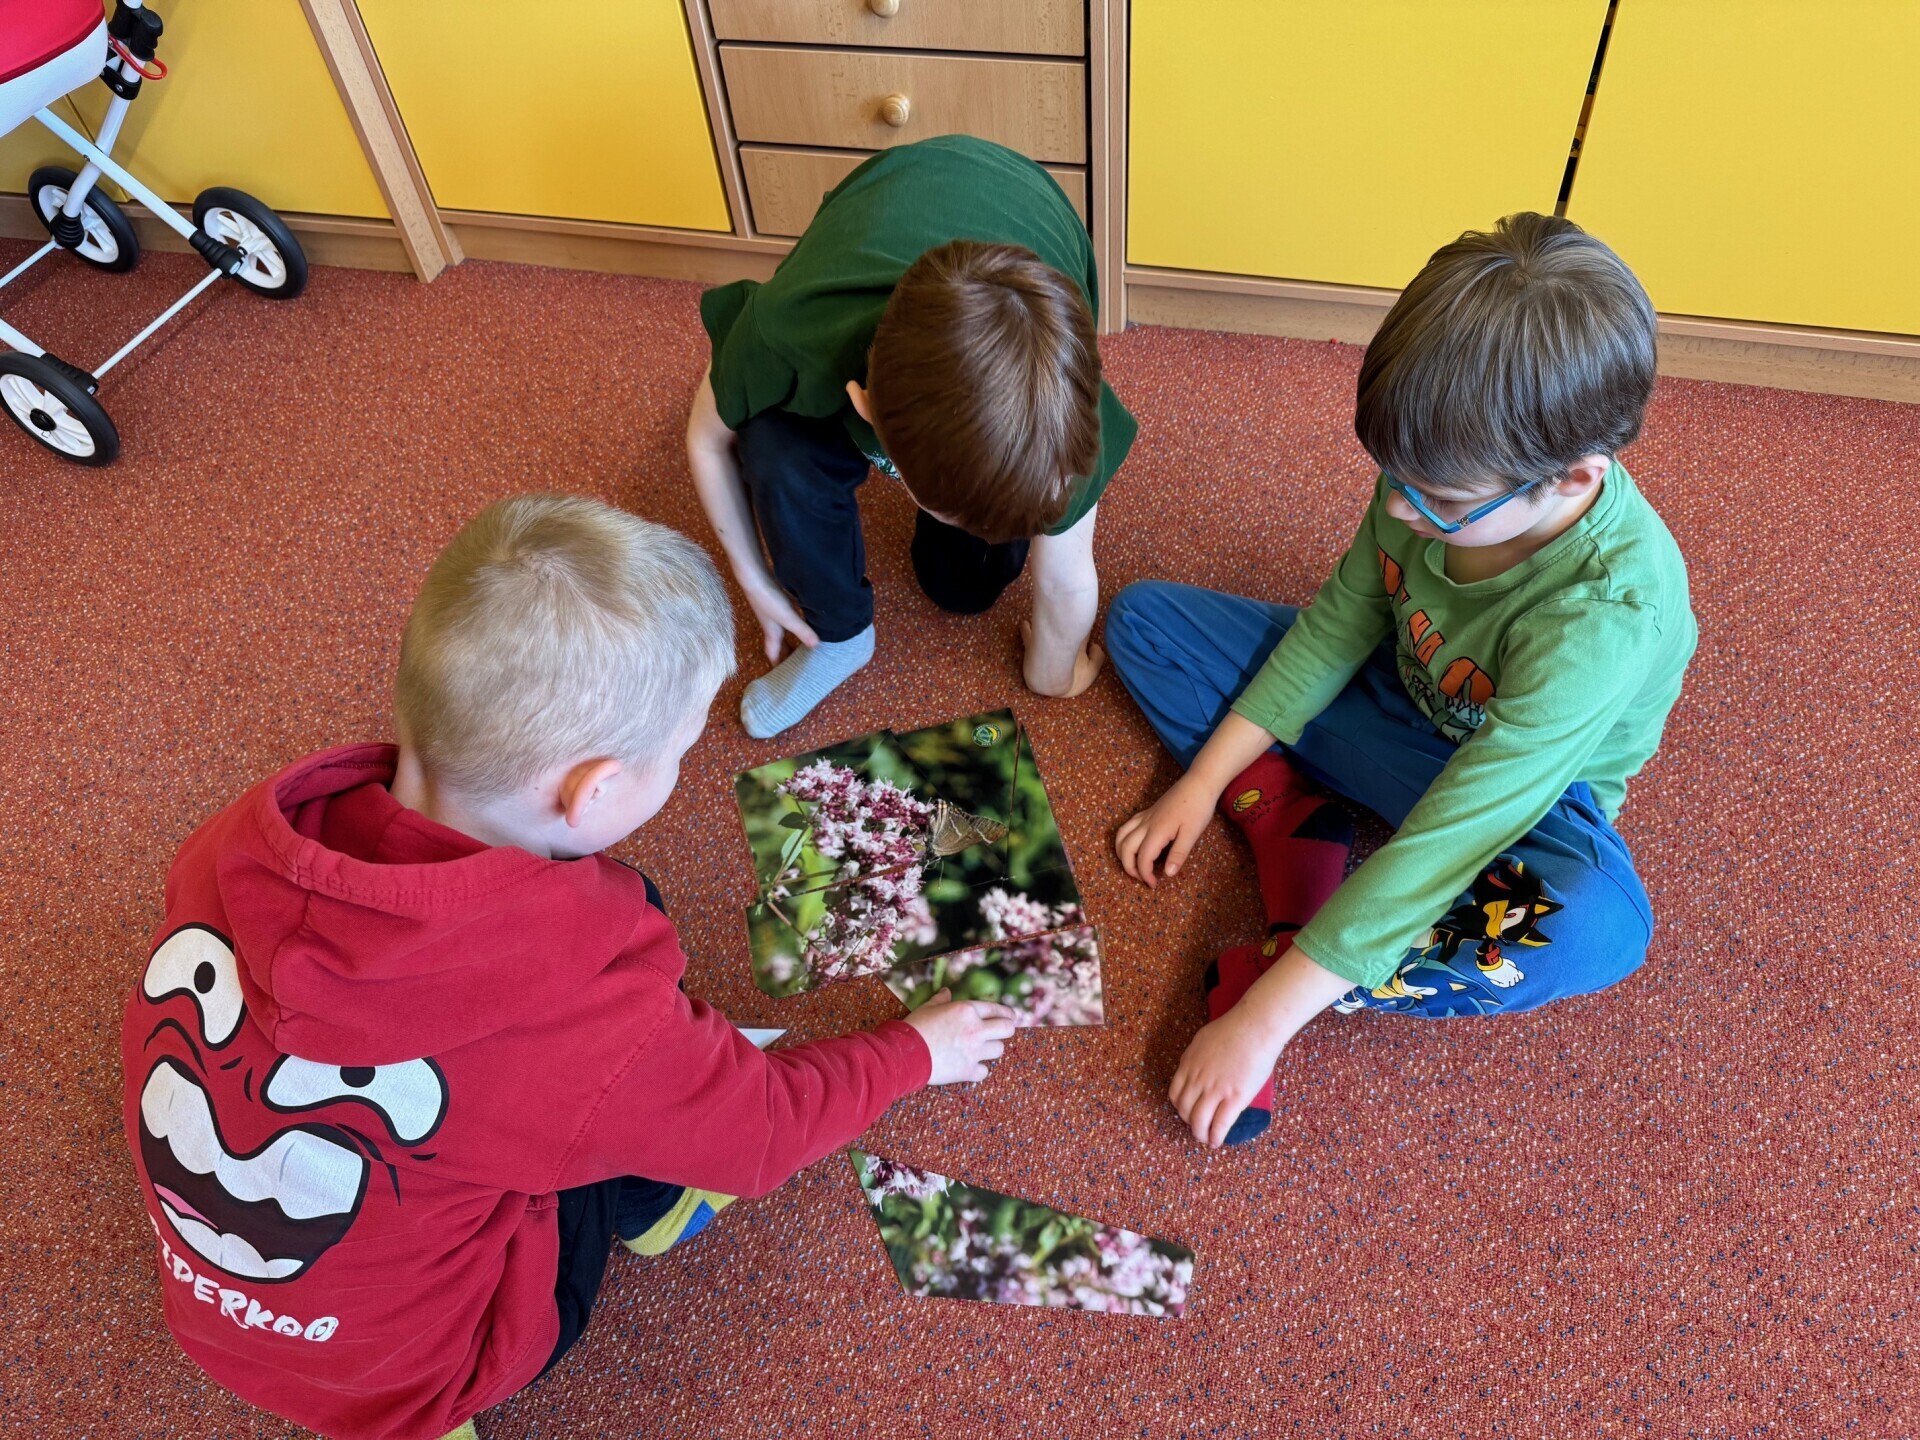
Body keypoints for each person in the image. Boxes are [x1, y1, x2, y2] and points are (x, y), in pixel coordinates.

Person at [122, 495, 1016, 1440]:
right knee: (618, 1049)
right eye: (679, 752)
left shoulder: (235, 842)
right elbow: (762, 1132)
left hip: (219, 1316)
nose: (682, 767)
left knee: (617, 947)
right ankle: (654, 1211)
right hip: (430, 1373)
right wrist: (920, 1051)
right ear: (592, 790)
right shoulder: (588, 1022)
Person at [1106, 213, 1697, 1148]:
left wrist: (1265, 1017)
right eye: (1392, 476)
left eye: (1440, 501)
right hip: (1397, 702)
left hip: (1527, 801)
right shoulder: (1428, 477)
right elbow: (1335, 629)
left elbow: (1465, 827)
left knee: (1598, 924)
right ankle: (1284, 819)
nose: (1395, 507)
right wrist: (1203, 782)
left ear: (1575, 480)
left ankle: (1300, 964)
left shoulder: (1607, 614)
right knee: (1145, 622)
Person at [687, 134, 1136, 738]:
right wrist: (754, 579)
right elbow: (707, 441)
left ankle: (964, 514)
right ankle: (841, 636)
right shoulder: (786, 333)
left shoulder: (1062, 420)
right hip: (876, 212)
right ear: (862, 406)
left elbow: (1066, 578)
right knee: (774, 448)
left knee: (962, 587)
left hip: (1027, 205)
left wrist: (1051, 675)